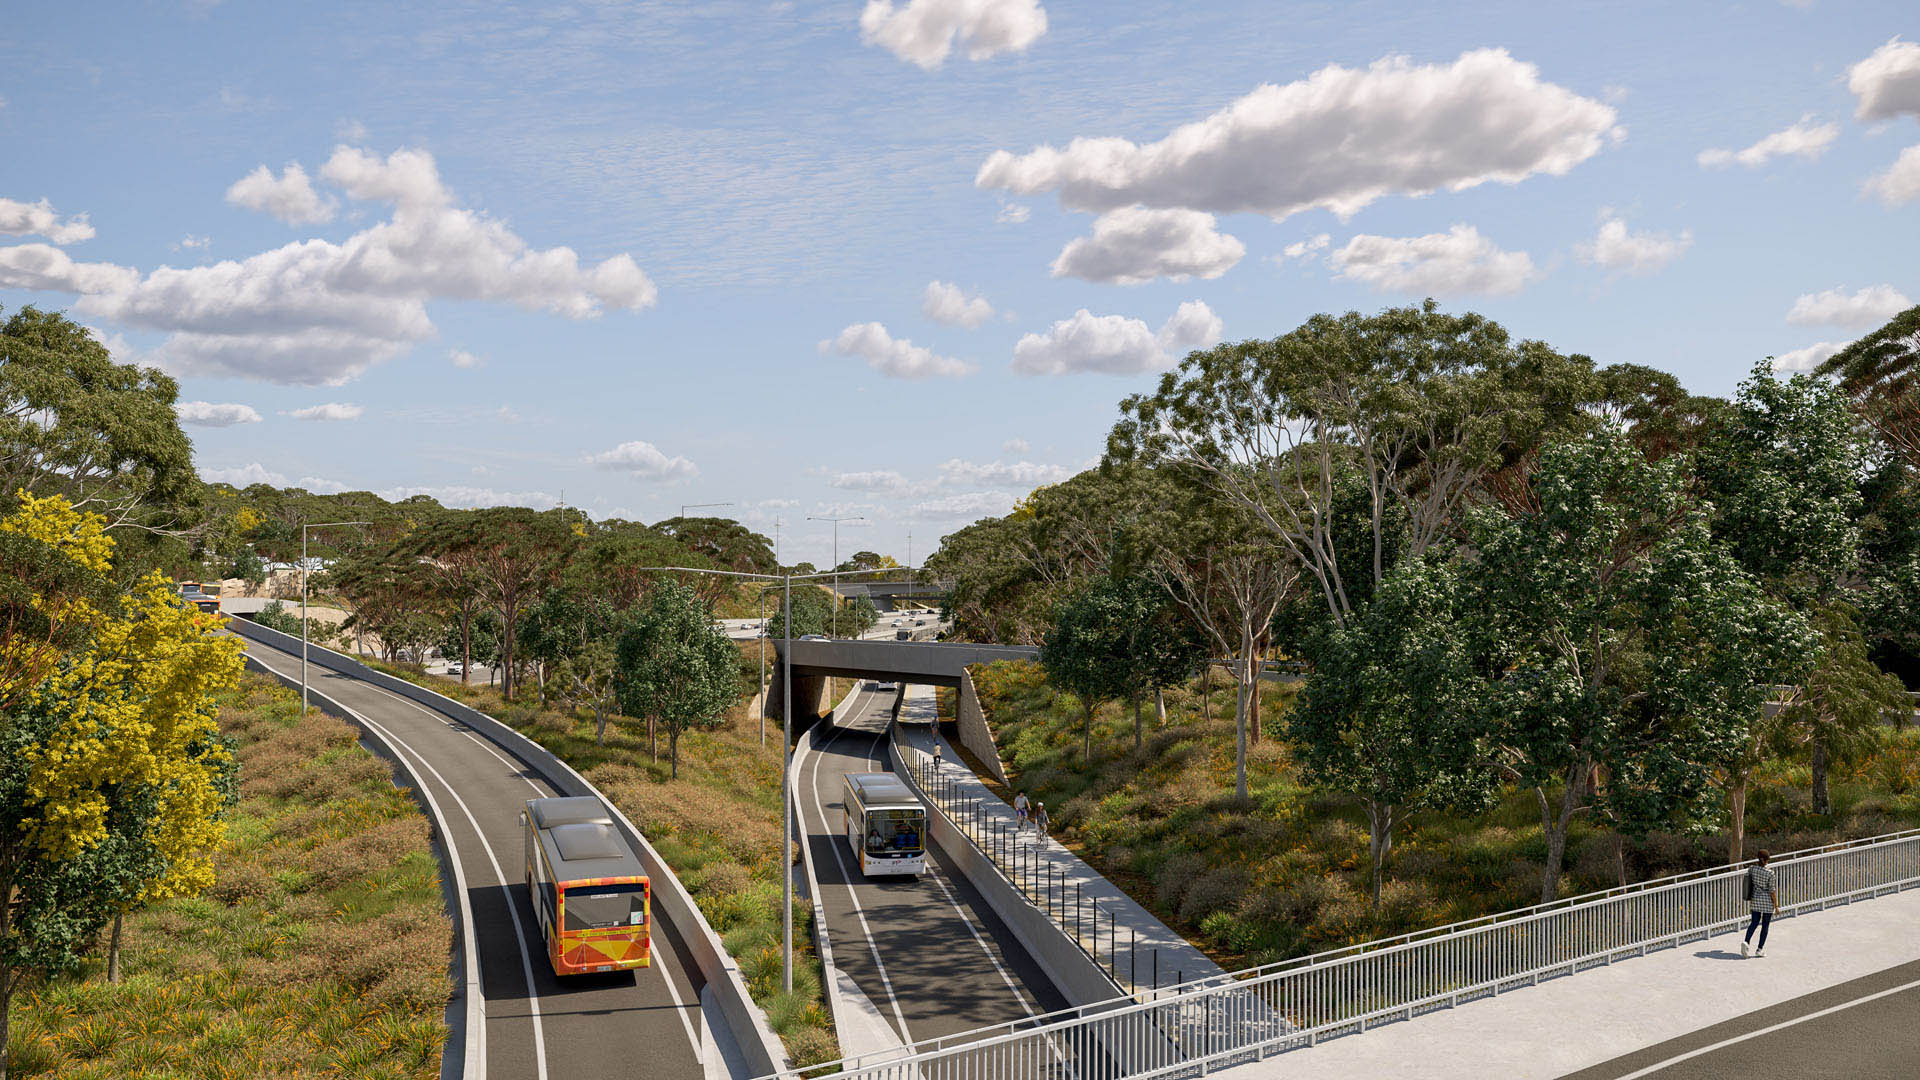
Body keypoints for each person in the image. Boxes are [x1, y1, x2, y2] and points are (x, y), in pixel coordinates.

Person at [1742, 849, 1779, 957]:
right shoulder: (1770, 873)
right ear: (1767, 860)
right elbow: (1772, 891)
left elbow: (1749, 882)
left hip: (1755, 900)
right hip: (1767, 902)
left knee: (1754, 923)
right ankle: (1759, 949)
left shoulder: (1752, 869)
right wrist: (1776, 906)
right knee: (1765, 926)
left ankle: (1746, 942)